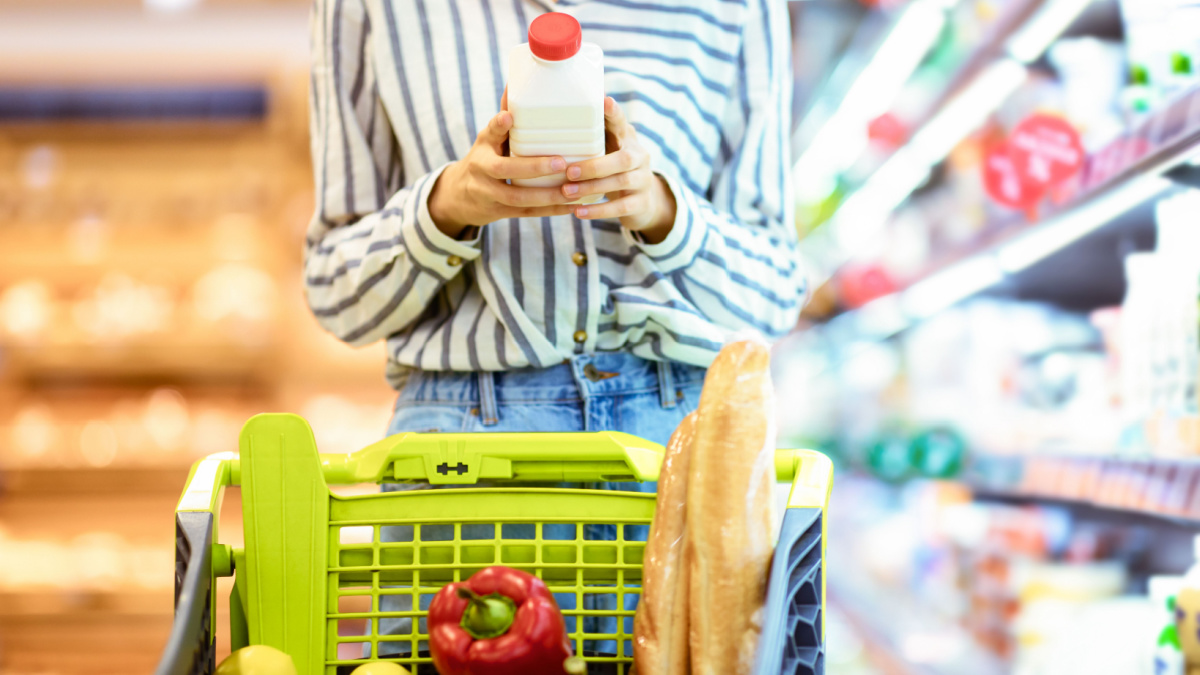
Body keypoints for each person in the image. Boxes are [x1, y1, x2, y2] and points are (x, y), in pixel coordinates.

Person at [305, 0, 805, 659]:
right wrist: (446, 206)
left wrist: (661, 211)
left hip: (677, 451)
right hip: (460, 453)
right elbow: (336, 293)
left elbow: (775, 294)